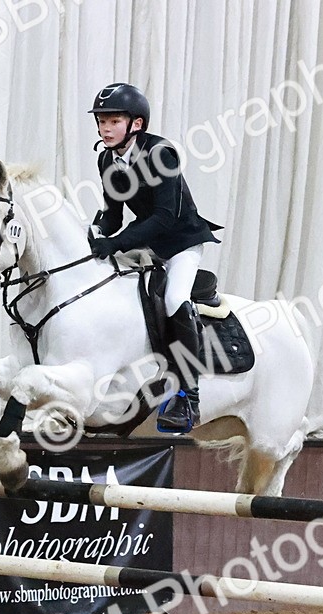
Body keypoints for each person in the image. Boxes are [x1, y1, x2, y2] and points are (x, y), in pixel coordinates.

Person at [87, 82, 221, 434]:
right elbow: (113, 215)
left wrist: (116, 243)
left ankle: (187, 395)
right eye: (101, 121)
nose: (104, 128)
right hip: (146, 244)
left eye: (113, 121)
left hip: (180, 241)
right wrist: (95, 233)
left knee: (175, 298)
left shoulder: (161, 154)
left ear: (137, 124)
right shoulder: (107, 159)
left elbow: (165, 217)